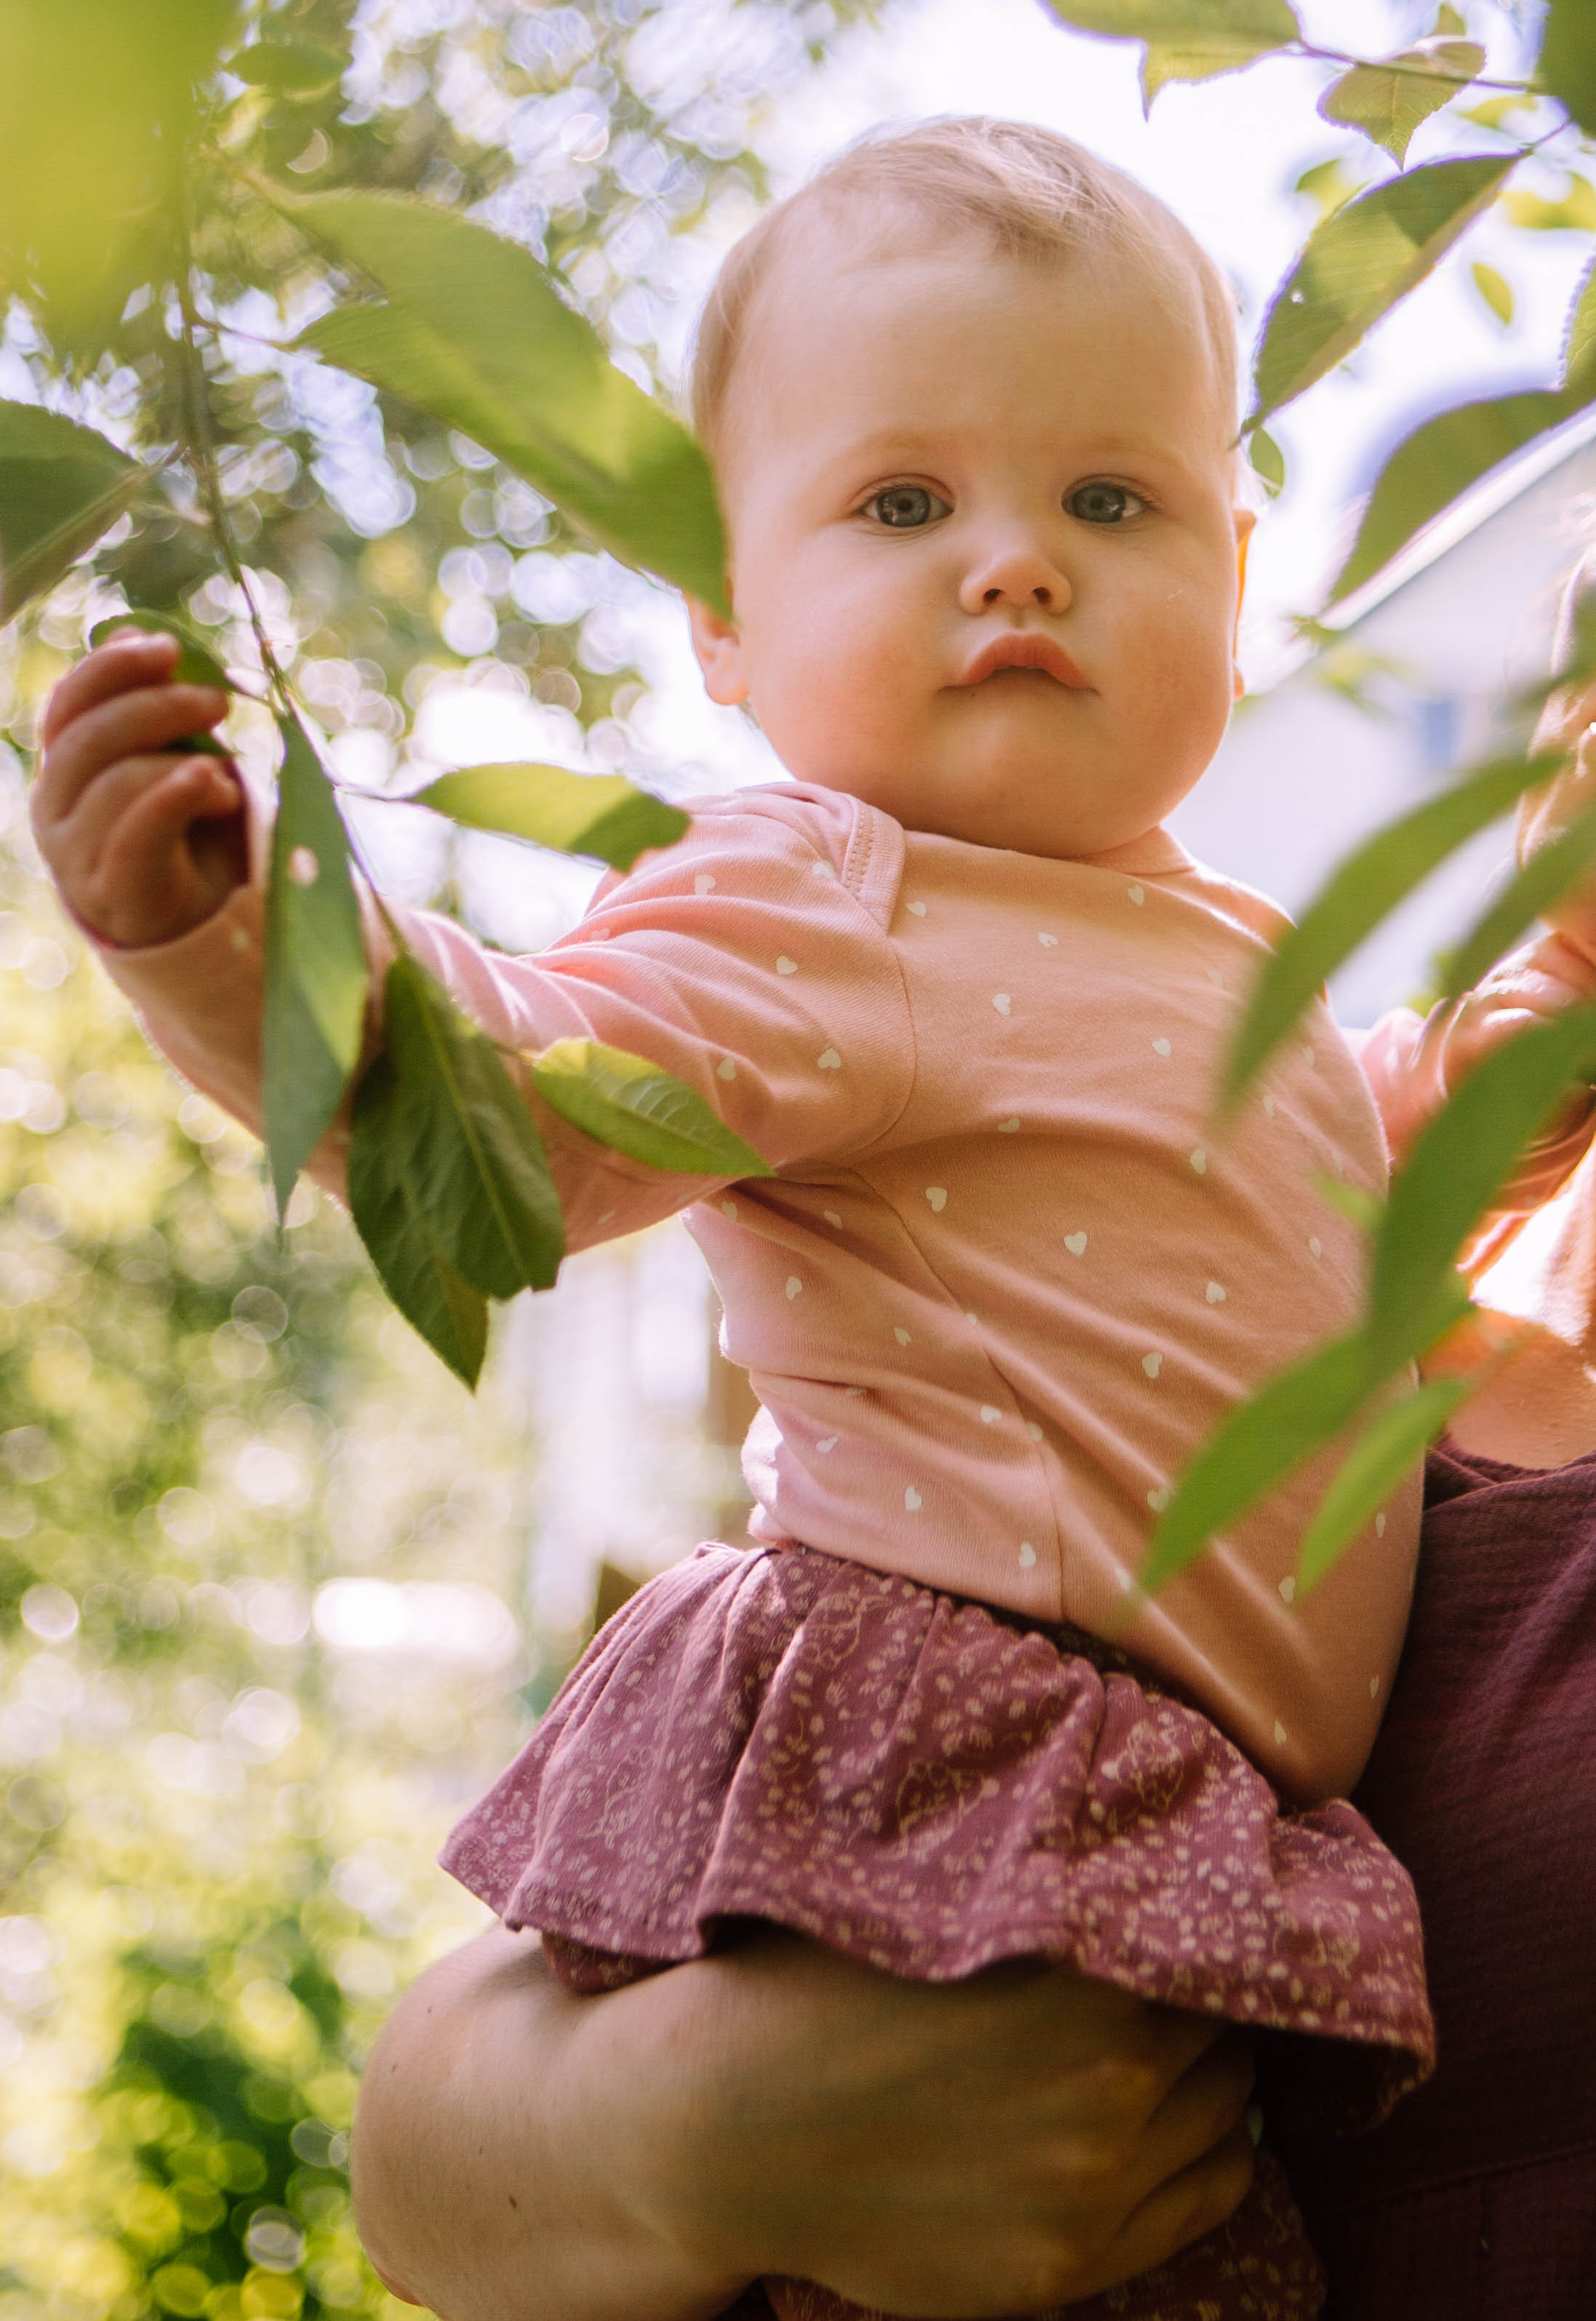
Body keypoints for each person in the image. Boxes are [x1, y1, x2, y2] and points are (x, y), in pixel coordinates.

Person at [28, 121, 1591, 2320]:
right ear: (723, 620)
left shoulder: (1226, 952)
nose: (1017, 567)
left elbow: (1351, 1166)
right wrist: (230, 948)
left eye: (1108, 502)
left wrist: (1515, 1042)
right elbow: (526, 1105)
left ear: (1236, 582)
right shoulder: (817, 892)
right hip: (947, 1728)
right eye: (902, 503)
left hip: (1140, 1792)